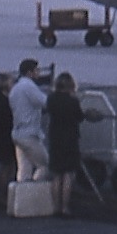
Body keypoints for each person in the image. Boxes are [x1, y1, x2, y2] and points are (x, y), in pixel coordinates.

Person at [45, 72, 86, 217]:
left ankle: (56, 206)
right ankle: (65, 207)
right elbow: (80, 117)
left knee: (56, 174)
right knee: (68, 174)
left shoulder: (51, 99)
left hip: (55, 138)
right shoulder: (72, 101)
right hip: (70, 139)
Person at [9, 59, 49, 182]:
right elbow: (45, 102)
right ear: (30, 72)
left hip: (18, 133)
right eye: (37, 70)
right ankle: (33, 189)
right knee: (44, 165)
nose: (39, 73)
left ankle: (21, 196)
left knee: (24, 169)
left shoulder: (15, 88)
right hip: (29, 134)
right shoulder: (29, 87)